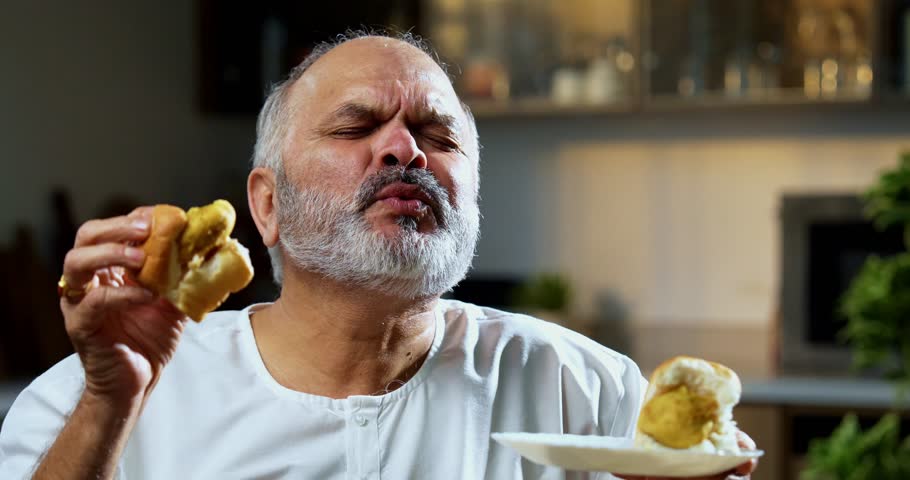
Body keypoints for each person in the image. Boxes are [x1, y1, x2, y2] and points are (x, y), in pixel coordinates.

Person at [0, 31, 757, 479]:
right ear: (266, 205)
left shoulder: (590, 394)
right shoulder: (97, 399)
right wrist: (108, 405)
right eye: (356, 125)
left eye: (438, 134)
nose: (405, 150)